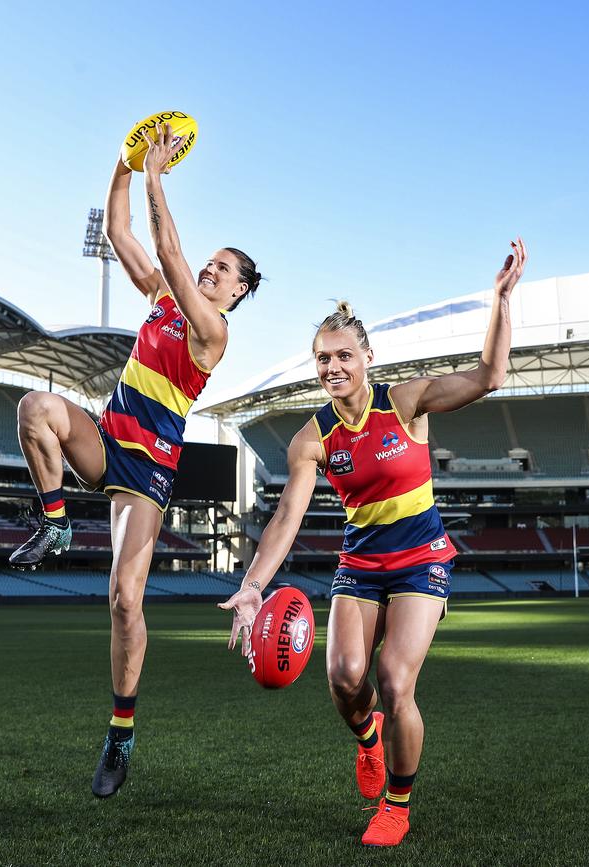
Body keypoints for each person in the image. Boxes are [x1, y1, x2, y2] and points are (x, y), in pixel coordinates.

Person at [220, 239, 526, 847]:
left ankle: (396, 803)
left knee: (393, 679)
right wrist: (252, 585)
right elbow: (286, 517)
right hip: (360, 567)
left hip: (420, 562)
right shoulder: (312, 439)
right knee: (343, 678)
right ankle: (368, 742)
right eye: (321, 358)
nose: (332, 367)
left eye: (343, 355)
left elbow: (490, 375)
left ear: (367, 357)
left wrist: (500, 300)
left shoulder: (407, 403)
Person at [9, 123, 262, 798]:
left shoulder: (213, 331)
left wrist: (156, 174)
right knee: (35, 407)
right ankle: (56, 519)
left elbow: (168, 251)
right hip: (105, 437)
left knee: (125, 600)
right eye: (212, 263)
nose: (210, 269)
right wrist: (123, 166)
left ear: (236, 293)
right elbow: (123, 234)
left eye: (223, 270)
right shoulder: (163, 300)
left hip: (148, 468)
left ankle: (120, 733)